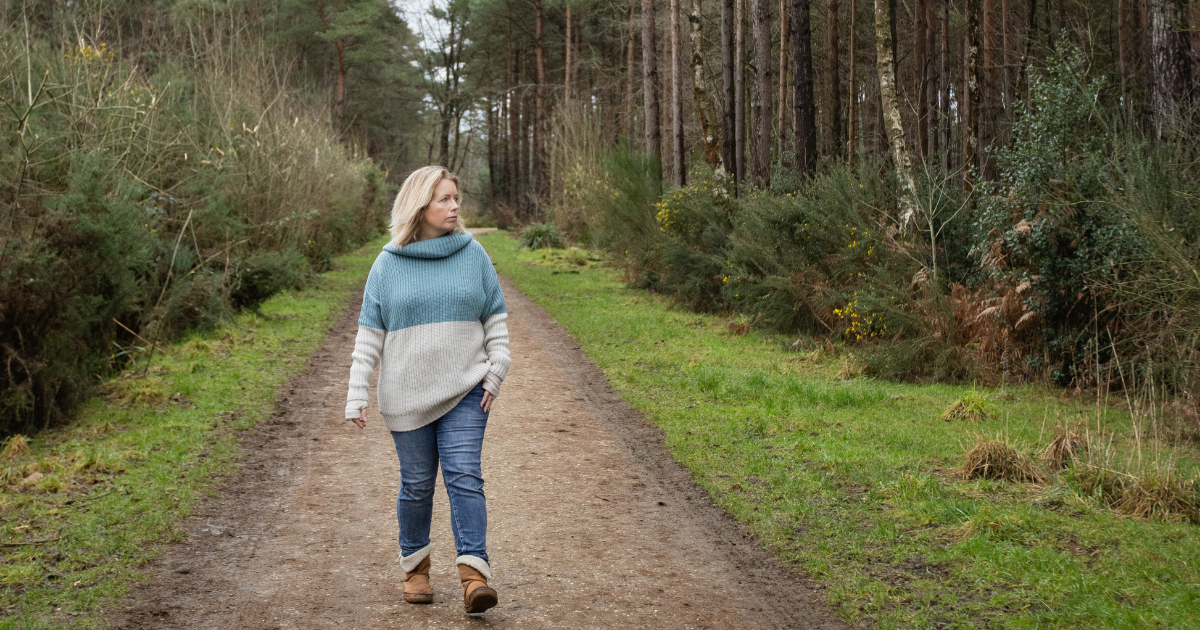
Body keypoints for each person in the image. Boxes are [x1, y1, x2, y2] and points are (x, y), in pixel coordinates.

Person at [344, 166, 510, 614]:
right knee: (417, 486)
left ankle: (475, 575)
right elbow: (368, 337)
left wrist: (497, 369)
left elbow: (495, 316)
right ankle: (416, 569)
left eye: (457, 198)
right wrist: (356, 392)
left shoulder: (473, 253)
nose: (455, 206)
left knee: (464, 476)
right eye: (445, 200)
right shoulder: (387, 263)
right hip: (406, 394)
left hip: (466, 389)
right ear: (420, 206)